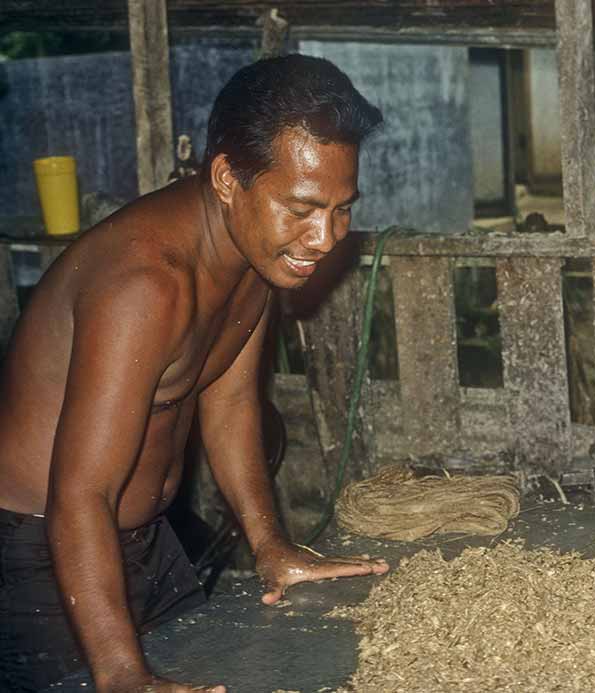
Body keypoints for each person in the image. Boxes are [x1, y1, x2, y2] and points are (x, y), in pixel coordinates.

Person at [0, 54, 390, 692]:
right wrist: (123, 674)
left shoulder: (255, 254)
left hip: (144, 541)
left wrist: (272, 548)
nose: (324, 237)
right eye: (302, 208)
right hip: (43, 554)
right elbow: (78, 496)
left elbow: (231, 409)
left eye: (342, 208)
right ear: (228, 179)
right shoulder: (144, 284)